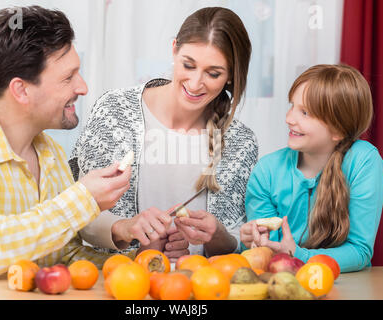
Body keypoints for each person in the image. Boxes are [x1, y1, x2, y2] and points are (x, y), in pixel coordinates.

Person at [0, 6, 131, 281]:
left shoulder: (49, 151)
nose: (82, 88)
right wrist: (83, 198)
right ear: (21, 90)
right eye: (68, 77)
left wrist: (135, 259)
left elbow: (60, 254)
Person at [69, 7, 258, 267]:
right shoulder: (114, 112)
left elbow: (241, 241)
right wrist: (128, 229)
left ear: (230, 76)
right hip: (119, 286)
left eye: (213, 73)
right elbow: (81, 212)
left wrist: (216, 237)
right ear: (174, 50)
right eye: (188, 65)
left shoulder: (240, 143)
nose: (194, 83)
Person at [240, 64, 383, 273]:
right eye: (292, 106)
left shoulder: (364, 162)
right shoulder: (267, 171)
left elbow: (359, 251)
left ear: (337, 129)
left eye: (305, 112)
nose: (289, 118)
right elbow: (268, 250)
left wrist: (299, 256)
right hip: (280, 280)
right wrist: (252, 241)